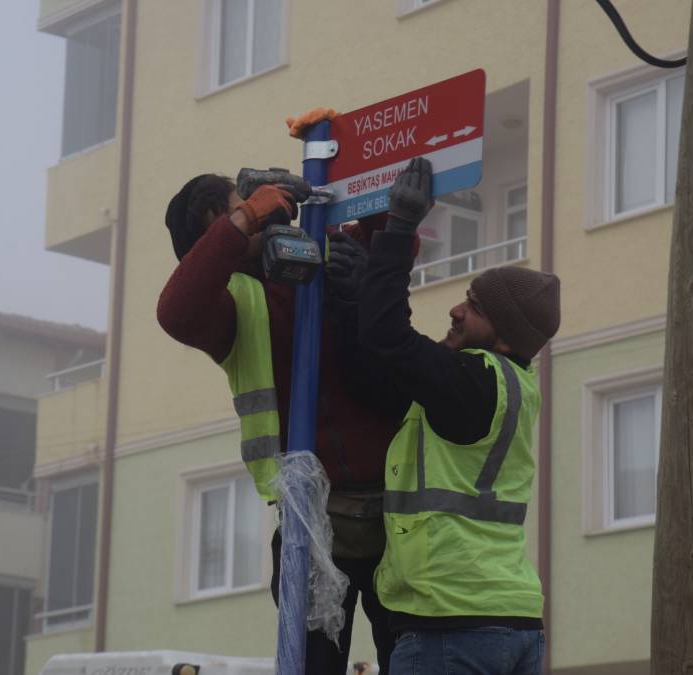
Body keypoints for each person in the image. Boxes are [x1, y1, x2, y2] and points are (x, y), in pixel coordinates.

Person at [157, 171, 400, 673]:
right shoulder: (230, 307)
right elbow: (174, 311)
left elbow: (393, 237)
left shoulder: (319, 251)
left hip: (398, 513)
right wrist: (242, 218)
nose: (255, 220)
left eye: (249, 206)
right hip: (313, 525)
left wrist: (347, 185)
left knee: (413, 662)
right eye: (235, 217)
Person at [330, 157, 558, 675]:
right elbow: (380, 375)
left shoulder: (472, 381)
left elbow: (391, 338)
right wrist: (354, 300)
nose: (456, 310)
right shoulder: (503, 386)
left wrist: (399, 231)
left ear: (503, 336)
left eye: (474, 307)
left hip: (453, 625)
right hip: (512, 619)